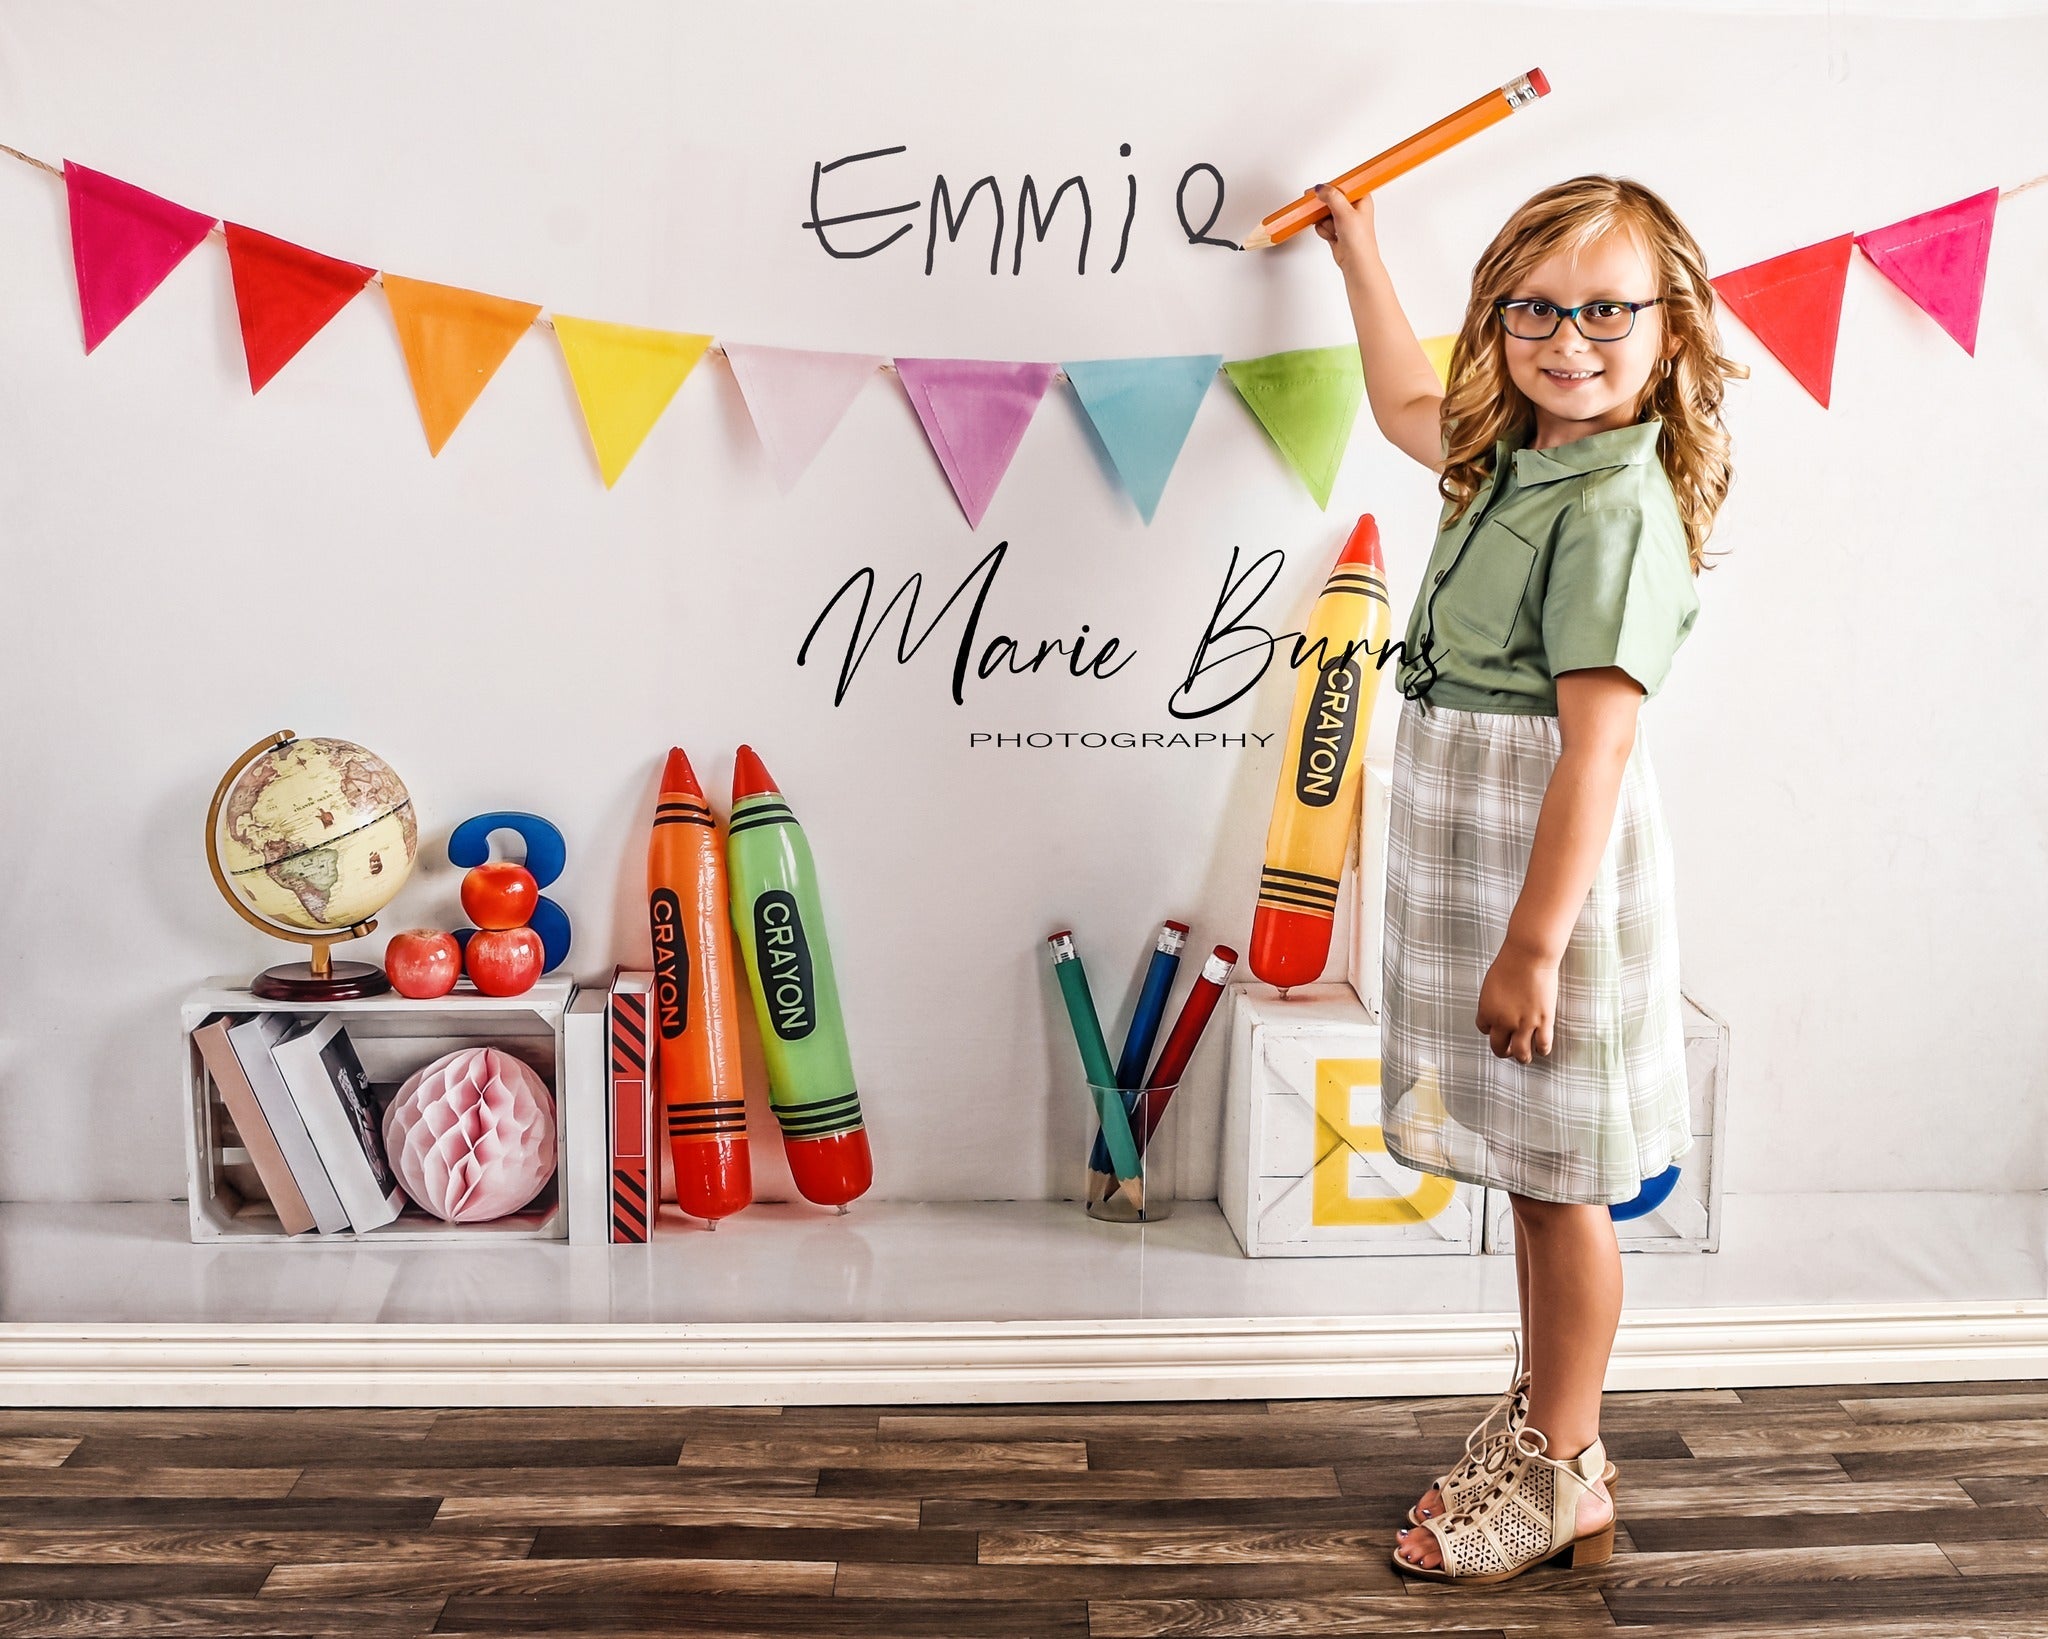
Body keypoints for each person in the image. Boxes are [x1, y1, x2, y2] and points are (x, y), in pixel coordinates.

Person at [1311, 173, 1744, 1584]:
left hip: (1540, 872)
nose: (1571, 339)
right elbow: (1394, 402)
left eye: (1608, 310)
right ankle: (1557, 1430)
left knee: (1564, 1187)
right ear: (1497, 323)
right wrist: (1357, 248)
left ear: (1669, 329)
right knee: (1525, 1173)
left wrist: (1534, 947)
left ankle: (1563, 1462)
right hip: (1475, 848)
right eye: (1536, 310)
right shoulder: (1512, 458)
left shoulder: (1614, 509)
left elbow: (1594, 757)